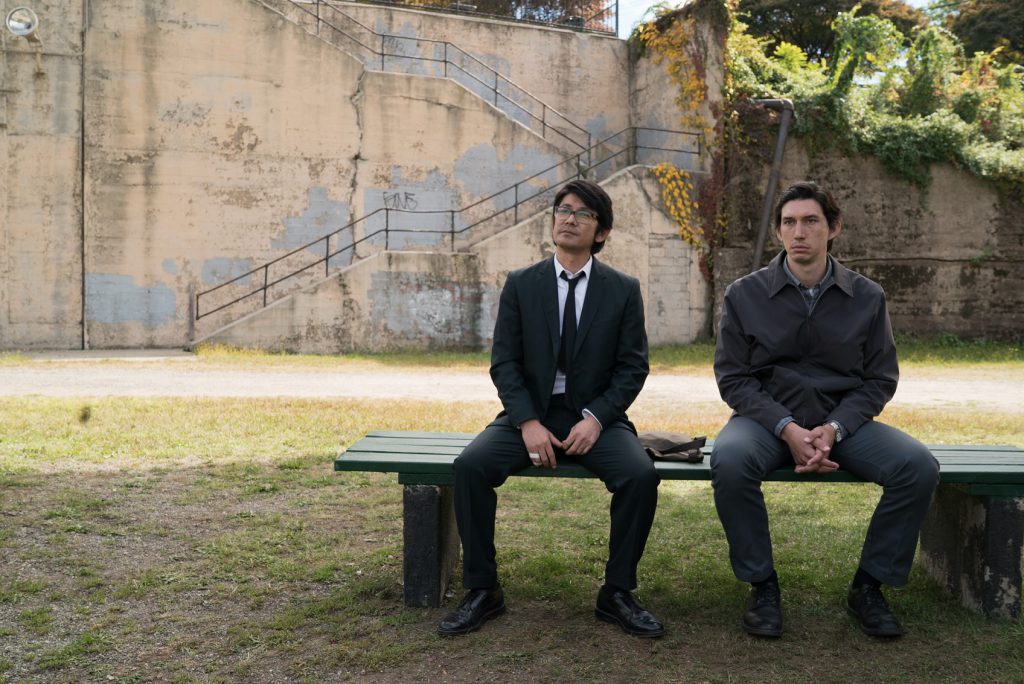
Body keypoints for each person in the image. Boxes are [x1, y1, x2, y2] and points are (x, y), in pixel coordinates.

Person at [711, 181, 939, 638]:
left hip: (844, 423)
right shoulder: (744, 294)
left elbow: (879, 379)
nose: (799, 232)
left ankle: (869, 586)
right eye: (789, 222)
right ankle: (762, 585)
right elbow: (734, 378)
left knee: (917, 466)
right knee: (730, 460)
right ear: (778, 232)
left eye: (811, 221)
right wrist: (786, 427)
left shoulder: (867, 296)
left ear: (833, 228)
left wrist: (834, 427)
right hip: (766, 423)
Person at [437, 179, 663, 638]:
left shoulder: (622, 289)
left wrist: (596, 419)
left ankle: (617, 592)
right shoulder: (522, 284)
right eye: (563, 210)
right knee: (470, 466)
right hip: (530, 415)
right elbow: (504, 362)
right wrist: (527, 422)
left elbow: (632, 367)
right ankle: (483, 589)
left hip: (596, 418)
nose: (569, 218)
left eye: (582, 213)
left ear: (601, 231)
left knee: (640, 476)